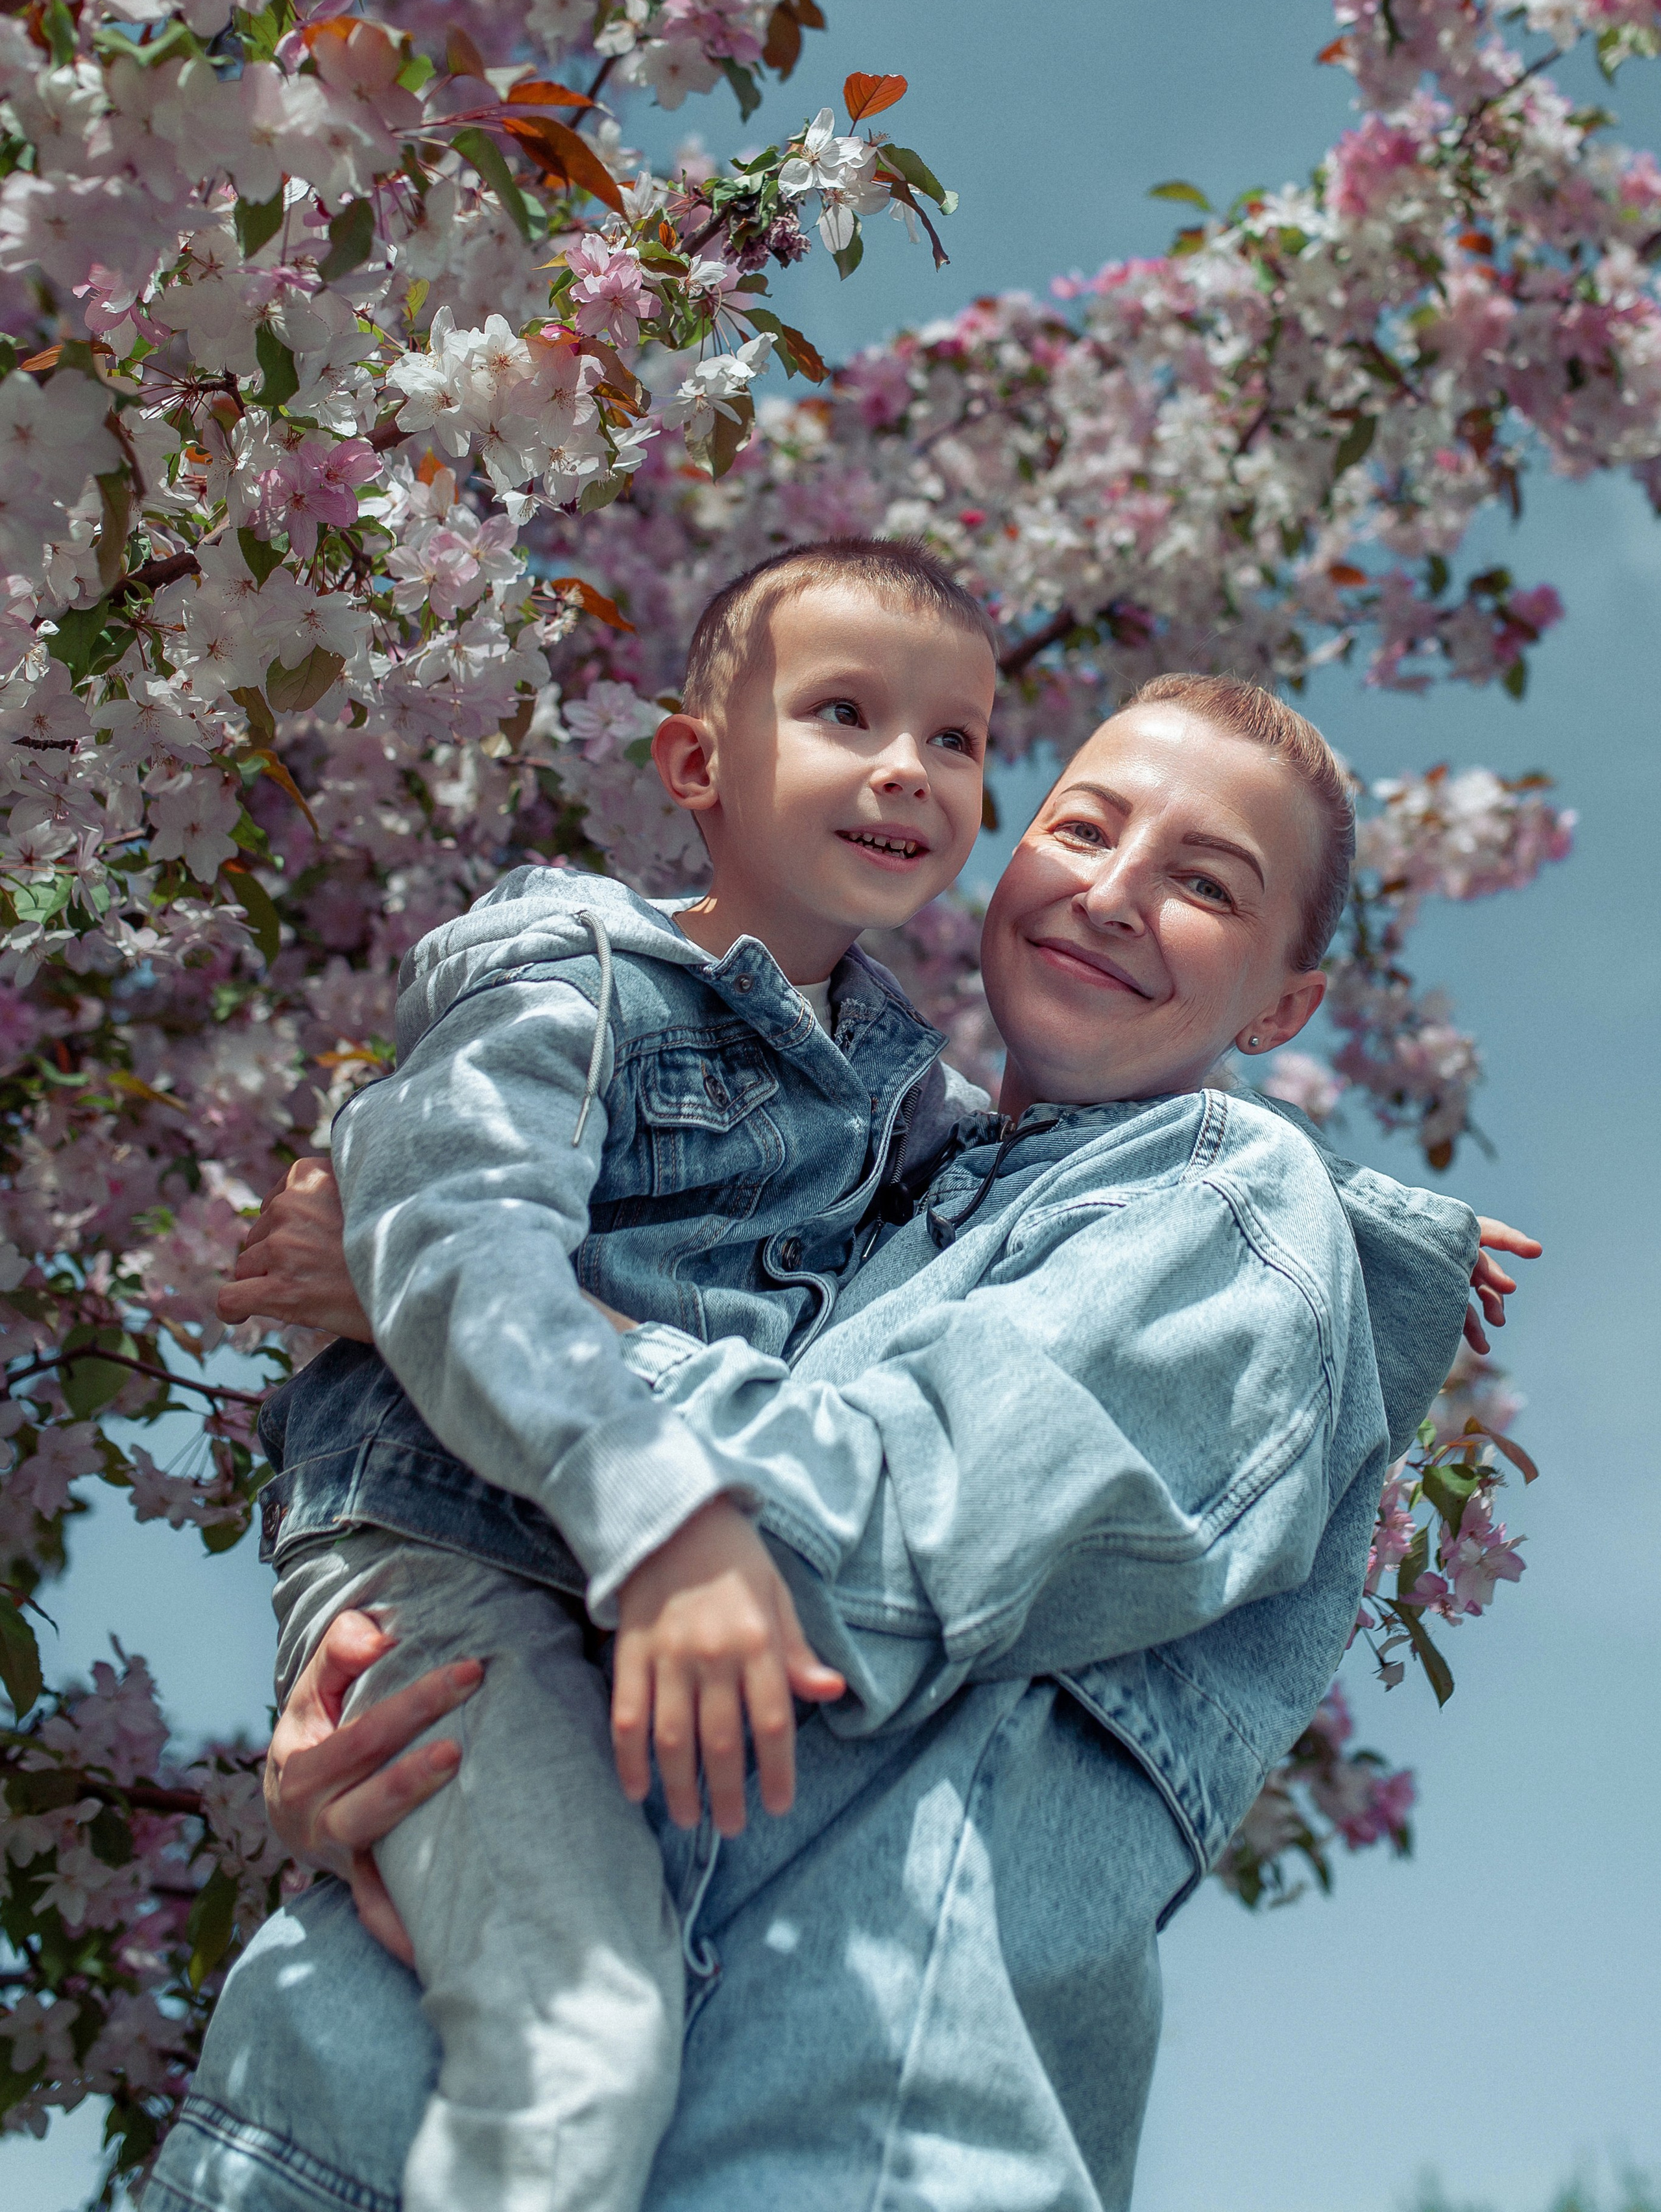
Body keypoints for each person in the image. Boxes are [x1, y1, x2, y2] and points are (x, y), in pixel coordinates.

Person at [148, 675, 1536, 2212]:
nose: (1115, 891)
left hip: (816, 2149)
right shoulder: (826, 1164)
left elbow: (867, 1549)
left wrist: (494, 1324)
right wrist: (381, 1713)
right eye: (1082, 824)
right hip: (357, 2124)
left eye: (1207, 884)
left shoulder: (1225, 1207)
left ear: (1281, 1007)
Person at [241, 535, 1006, 2212]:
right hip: (454, 1565)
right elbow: (463, 1248)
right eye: (849, 714)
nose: (909, 768)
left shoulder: (905, 1102)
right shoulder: (578, 975)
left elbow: (1084, 1197)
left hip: (637, 1639)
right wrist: (664, 1514)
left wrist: (1369, 1224)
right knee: (580, 2044)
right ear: (693, 765)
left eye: (958, 742)